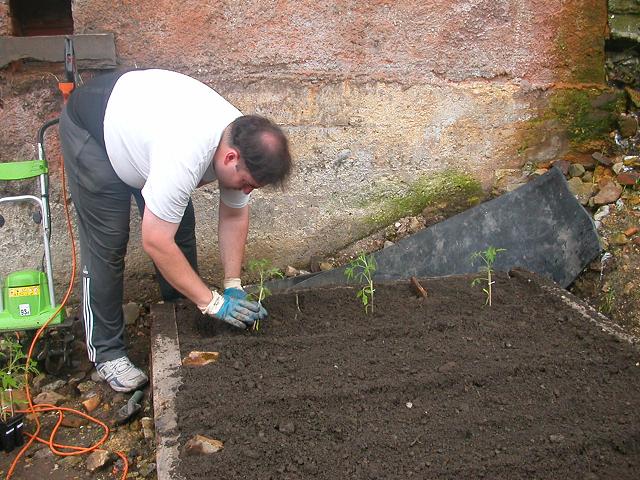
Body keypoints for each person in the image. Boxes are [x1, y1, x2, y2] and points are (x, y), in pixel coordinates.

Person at [59, 68, 292, 392]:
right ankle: (107, 353)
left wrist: (232, 285)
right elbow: (155, 241)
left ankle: (179, 314)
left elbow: (234, 216)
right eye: (247, 184)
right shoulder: (186, 153)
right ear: (230, 158)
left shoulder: (242, 137)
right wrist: (213, 303)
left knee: (180, 229)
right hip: (93, 133)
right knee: (108, 243)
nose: (246, 191)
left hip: (145, 135)